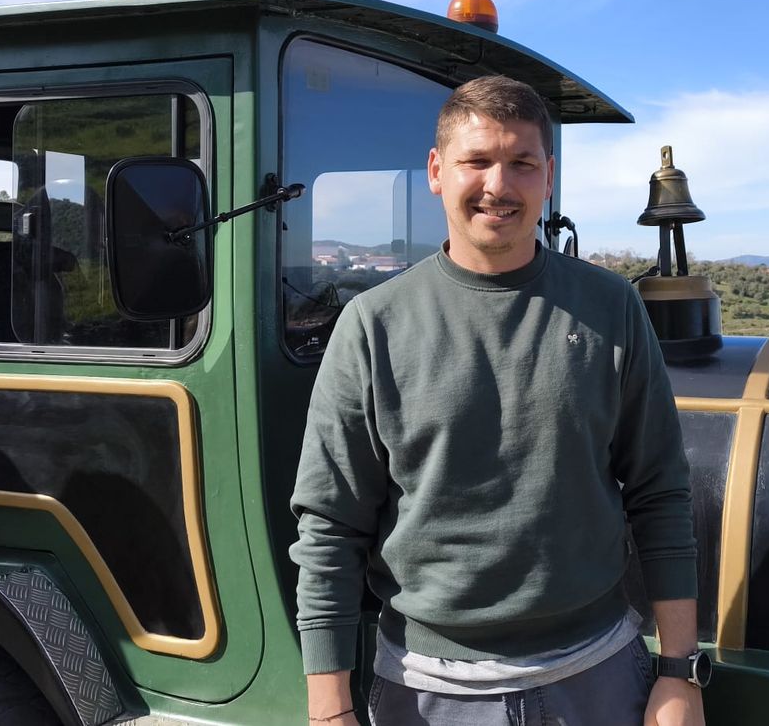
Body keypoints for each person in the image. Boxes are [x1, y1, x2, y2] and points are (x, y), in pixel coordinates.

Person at [290, 75, 706, 726]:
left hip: (598, 677)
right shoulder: (373, 327)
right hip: (426, 695)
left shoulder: (612, 308)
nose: (498, 186)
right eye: (477, 161)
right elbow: (329, 530)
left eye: (521, 163)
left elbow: (660, 492)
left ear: (548, 176)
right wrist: (329, 709)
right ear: (436, 171)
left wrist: (680, 674)